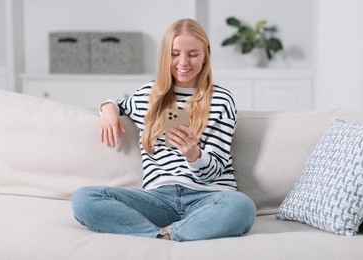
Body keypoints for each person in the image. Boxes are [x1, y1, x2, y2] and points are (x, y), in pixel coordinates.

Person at [72, 18, 256, 242]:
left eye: (193, 54)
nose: (183, 62)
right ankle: (161, 234)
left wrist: (194, 155)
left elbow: (215, 171)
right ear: (164, 55)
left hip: (210, 197)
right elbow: (118, 104)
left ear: (206, 55)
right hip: (158, 199)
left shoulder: (221, 100)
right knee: (84, 198)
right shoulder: (147, 96)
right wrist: (107, 108)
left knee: (242, 206)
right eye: (175, 53)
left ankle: (170, 233)